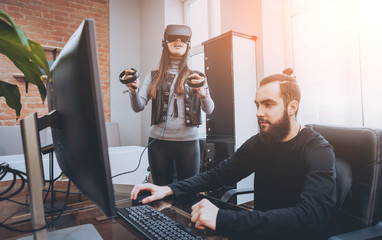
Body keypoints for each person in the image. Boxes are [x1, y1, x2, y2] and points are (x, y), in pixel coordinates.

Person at [130, 73, 339, 239]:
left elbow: (311, 216)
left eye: (268, 104)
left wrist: (222, 219)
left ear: (292, 107)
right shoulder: (261, 142)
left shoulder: (318, 150)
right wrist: (168, 189)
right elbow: (218, 175)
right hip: (264, 232)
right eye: (257, 105)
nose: (258, 112)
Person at [123, 25, 214, 186]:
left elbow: (209, 109)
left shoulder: (197, 77)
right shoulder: (153, 76)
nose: (178, 41)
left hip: (189, 144)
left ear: (188, 45)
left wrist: (203, 94)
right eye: (173, 38)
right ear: (164, 43)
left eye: (183, 39)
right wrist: (133, 91)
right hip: (158, 144)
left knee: (187, 192)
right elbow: (138, 106)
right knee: (160, 192)